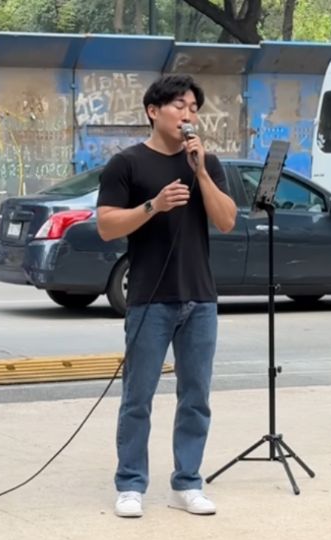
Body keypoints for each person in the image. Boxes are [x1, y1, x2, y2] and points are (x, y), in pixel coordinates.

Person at [97, 75, 237, 518]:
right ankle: (131, 484)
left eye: (193, 107)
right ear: (153, 111)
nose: (188, 114)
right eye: (179, 105)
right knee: (138, 396)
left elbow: (227, 220)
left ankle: (188, 482)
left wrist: (200, 172)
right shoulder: (126, 165)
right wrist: (152, 205)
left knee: (195, 396)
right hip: (149, 299)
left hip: (200, 297)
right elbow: (106, 226)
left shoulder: (205, 163)